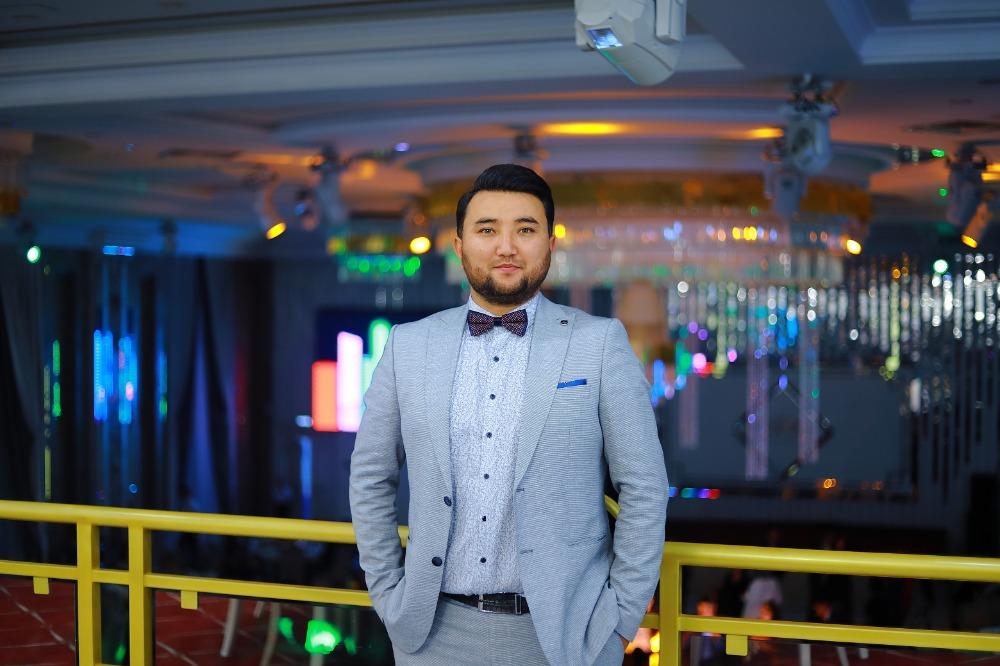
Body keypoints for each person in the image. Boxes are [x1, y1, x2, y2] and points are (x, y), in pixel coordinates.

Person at [349, 164, 669, 665]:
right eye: (487, 230)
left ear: (550, 243)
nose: (506, 247)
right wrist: (388, 593)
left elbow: (645, 486)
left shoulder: (599, 344)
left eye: (525, 229)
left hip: (565, 639)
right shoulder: (408, 345)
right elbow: (371, 475)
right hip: (429, 637)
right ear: (459, 245)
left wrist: (618, 623)